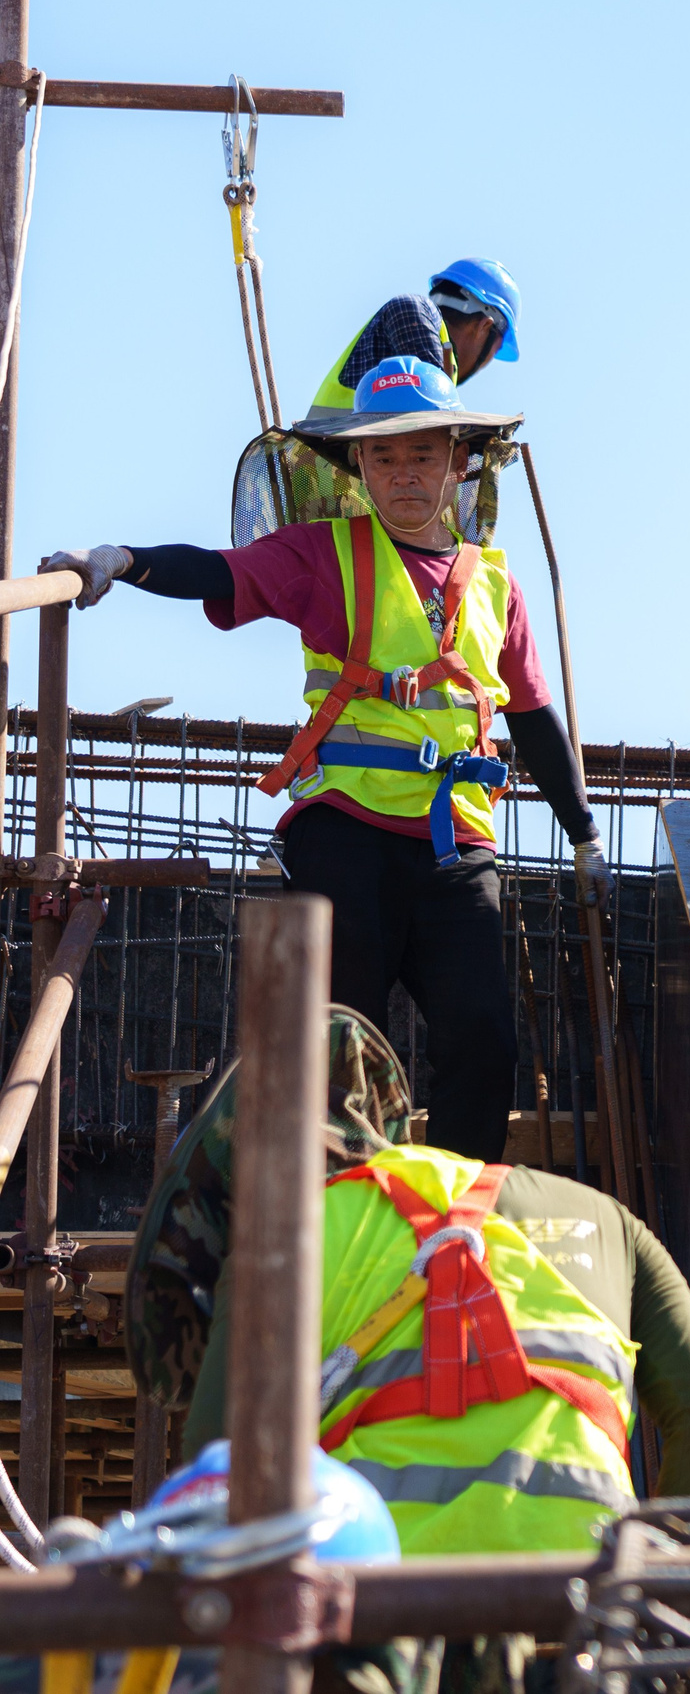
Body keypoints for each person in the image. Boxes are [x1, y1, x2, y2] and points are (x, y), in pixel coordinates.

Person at [41, 357, 602, 1163]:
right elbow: (218, 569)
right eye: (383, 456)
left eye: (422, 453)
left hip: (455, 846)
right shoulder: (321, 553)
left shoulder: (497, 587)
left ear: (458, 461)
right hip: (345, 828)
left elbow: (535, 717)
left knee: (484, 1044)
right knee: (344, 1043)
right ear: (359, 469)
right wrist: (119, 560)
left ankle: (447, 1233)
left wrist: (582, 834)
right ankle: (340, 1223)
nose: (403, 473)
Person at [130, 1007, 690, 1551]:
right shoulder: (607, 1218)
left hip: (388, 1621)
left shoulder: (282, 1240)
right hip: (586, 1608)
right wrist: (653, 1589)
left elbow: (218, 1474)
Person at [307, 256, 522, 418]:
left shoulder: (443, 366)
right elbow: (407, 308)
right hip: (324, 470)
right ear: (484, 327)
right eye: (498, 347)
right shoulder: (414, 312)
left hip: (338, 472)